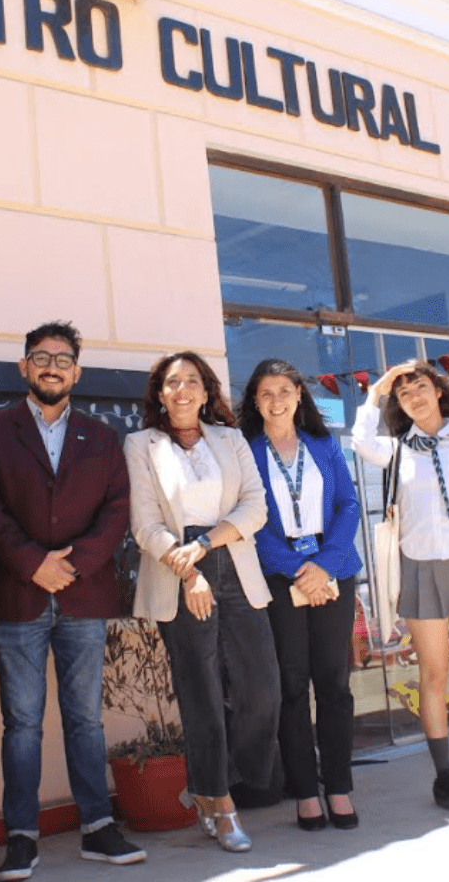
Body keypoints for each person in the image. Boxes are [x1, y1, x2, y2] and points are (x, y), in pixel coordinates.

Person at [0, 323, 146, 880]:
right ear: (24, 367)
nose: (52, 366)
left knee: (86, 720)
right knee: (21, 723)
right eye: (41, 357)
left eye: (63, 359)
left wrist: (73, 565)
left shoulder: (102, 436)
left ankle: (98, 826)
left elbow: (117, 509)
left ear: (77, 371)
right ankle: (21, 836)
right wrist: (32, 563)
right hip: (16, 594)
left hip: (82, 594)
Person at [122, 351, 278, 853]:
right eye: (173, 382)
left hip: (232, 559)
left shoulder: (230, 439)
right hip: (177, 570)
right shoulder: (140, 444)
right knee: (202, 695)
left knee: (262, 689)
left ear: (206, 391)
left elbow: (256, 506)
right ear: (160, 394)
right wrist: (190, 571)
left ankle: (216, 780)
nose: (183, 389)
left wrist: (207, 545)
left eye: (192, 381)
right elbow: (145, 524)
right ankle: (220, 802)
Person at [351, 360, 449, 812]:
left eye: (420, 387)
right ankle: (445, 775)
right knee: (433, 675)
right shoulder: (396, 450)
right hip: (419, 567)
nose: (414, 397)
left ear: (439, 391)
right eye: (404, 394)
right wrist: (376, 391)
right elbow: (360, 441)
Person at [239, 359, 364, 832]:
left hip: (333, 570)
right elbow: (251, 520)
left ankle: (339, 787)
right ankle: (306, 793)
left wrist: (324, 565)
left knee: (334, 685)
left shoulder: (324, 444)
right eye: (266, 393)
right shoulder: (246, 453)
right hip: (281, 575)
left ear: (298, 396)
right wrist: (297, 568)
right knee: (292, 688)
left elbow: (348, 504)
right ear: (256, 401)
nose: (276, 401)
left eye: (284, 391)